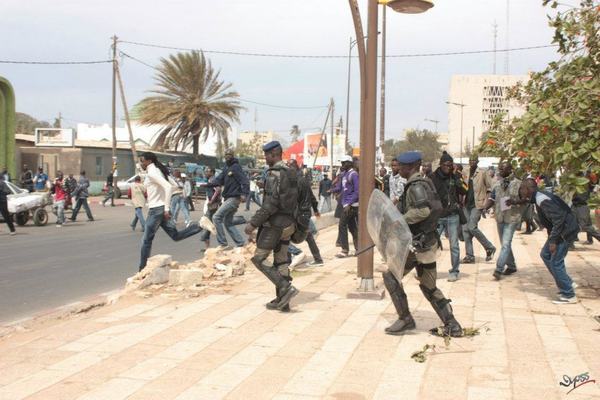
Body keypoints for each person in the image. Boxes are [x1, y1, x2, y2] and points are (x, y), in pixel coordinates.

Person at [383, 151, 463, 337]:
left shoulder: (416, 186)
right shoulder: (422, 183)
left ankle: (406, 319)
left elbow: (422, 211)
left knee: (391, 277)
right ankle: (452, 324)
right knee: (428, 286)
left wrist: (399, 221)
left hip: (420, 246)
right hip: (425, 243)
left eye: (401, 166)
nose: (399, 168)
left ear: (410, 167)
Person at [244, 141, 299, 311]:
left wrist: (253, 223)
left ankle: (285, 287)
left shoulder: (274, 173)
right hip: (289, 224)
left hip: (274, 225)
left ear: (273, 154)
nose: (265, 158)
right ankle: (283, 302)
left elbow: (271, 203)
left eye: (266, 155)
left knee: (259, 258)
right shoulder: (291, 172)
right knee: (281, 261)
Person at [138, 152, 215, 271]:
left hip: (156, 210)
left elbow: (169, 187)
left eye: (142, 160)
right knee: (175, 236)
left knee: (146, 240)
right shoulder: (159, 170)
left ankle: (142, 269)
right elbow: (174, 185)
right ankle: (200, 225)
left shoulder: (153, 172)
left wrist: (166, 208)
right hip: (161, 209)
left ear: (149, 161)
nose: (140, 163)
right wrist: (164, 202)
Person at [519, 178, 579, 304]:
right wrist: (514, 202)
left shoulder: (542, 199)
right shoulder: (538, 196)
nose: (521, 191)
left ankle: (568, 294)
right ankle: (567, 282)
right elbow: (527, 201)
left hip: (564, 231)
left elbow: (559, 220)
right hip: (561, 231)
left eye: (522, 188)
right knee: (545, 255)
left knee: (556, 262)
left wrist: (553, 241)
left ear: (528, 189)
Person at [202, 149, 249, 250]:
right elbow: (219, 180)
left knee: (216, 217)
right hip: (228, 198)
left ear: (232, 155)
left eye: (229, 155)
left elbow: (244, 181)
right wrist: (208, 185)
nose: (227, 156)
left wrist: (245, 194)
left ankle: (223, 244)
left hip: (234, 198)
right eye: (226, 155)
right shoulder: (226, 167)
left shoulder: (236, 167)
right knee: (228, 222)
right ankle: (240, 243)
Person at [485, 161, 525, 280]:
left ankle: (499, 269)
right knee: (504, 244)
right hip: (500, 217)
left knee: (506, 244)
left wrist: (514, 202)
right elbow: (492, 198)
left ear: (510, 170)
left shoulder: (518, 184)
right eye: (499, 169)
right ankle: (511, 266)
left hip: (512, 217)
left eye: (503, 169)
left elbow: (525, 199)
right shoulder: (497, 184)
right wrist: (485, 208)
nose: (500, 171)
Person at [431, 151, 467, 282]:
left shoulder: (455, 177)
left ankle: (454, 271)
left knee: (454, 245)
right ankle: (430, 272)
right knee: (432, 245)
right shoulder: (433, 177)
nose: (448, 167)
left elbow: (465, 190)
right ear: (441, 165)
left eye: (450, 165)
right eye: (446, 165)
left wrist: (458, 178)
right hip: (438, 216)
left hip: (452, 215)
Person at [287, 159, 324, 268]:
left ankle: (294, 256)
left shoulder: (295, 181)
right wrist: (316, 210)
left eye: (290, 166)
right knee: (308, 237)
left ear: (295, 167)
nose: (288, 168)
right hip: (305, 214)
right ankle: (317, 259)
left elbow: (293, 199)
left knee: (285, 236)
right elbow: (312, 197)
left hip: (298, 214)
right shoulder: (303, 180)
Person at [462, 155, 496, 263]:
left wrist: (487, 202)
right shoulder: (465, 172)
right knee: (465, 230)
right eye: (470, 160)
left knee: (472, 227)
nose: (472, 162)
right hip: (466, 204)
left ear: (477, 161)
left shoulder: (482, 173)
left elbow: (490, 188)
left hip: (478, 204)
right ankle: (470, 256)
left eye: (474, 160)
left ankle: (489, 247)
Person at [332, 155, 359, 258]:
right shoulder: (344, 174)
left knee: (342, 225)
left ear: (349, 163)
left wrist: (350, 203)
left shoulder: (353, 174)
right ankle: (358, 249)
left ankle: (344, 250)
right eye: (341, 163)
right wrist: (333, 190)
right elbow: (341, 188)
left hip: (351, 205)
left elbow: (357, 191)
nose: (342, 165)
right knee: (352, 227)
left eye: (344, 163)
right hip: (345, 204)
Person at [572, 174, 600, 244]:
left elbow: (594, 180)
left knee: (584, 225)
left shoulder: (588, 182)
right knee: (572, 222)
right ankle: (572, 241)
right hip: (575, 204)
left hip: (582, 205)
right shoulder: (574, 178)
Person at [199, 167, 221, 249]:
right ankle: (207, 246)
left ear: (212, 172)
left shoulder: (213, 180)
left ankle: (208, 245)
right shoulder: (210, 180)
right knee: (208, 223)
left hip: (212, 205)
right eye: (205, 171)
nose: (205, 173)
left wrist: (212, 200)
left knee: (206, 223)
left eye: (207, 171)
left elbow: (218, 190)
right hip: (212, 204)